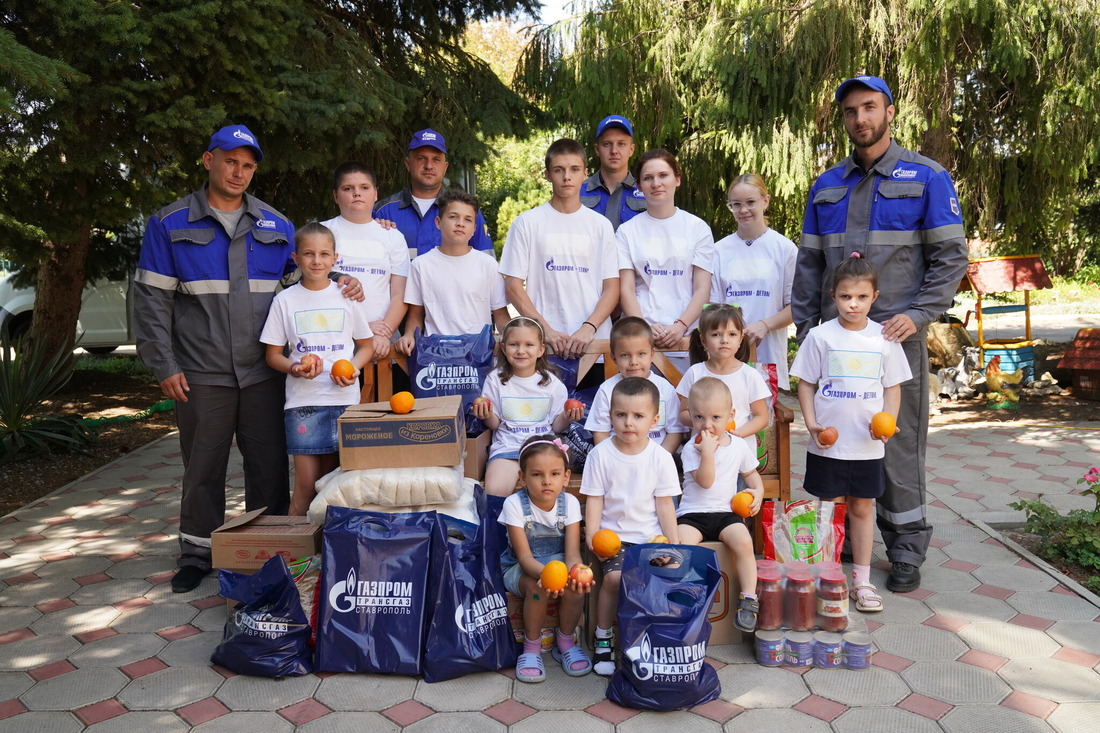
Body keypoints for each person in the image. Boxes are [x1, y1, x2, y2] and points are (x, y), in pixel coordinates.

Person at [134, 125, 363, 593]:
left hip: (263, 372)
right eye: (230, 161)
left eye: (248, 165)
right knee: (204, 465)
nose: (239, 172)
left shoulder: (275, 226)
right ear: (208, 161)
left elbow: (301, 275)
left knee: (267, 466)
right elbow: (151, 301)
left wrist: (341, 277)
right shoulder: (170, 223)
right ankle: (197, 552)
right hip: (201, 370)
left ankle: (271, 548)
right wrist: (163, 364)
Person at [793, 75, 968, 592]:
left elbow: (950, 258)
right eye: (850, 111)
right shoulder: (826, 186)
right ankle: (846, 539)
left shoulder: (928, 178)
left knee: (893, 440)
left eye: (869, 108)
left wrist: (917, 315)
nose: (860, 119)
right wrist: (807, 328)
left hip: (893, 340)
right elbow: (808, 266)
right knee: (836, 431)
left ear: (889, 112)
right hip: (834, 341)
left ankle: (907, 546)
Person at [790, 254, 911, 612]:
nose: (853, 304)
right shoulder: (820, 336)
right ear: (833, 295)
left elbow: (893, 387)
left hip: (867, 444)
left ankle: (862, 580)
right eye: (845, 297)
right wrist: (811, 423)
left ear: (874, 296)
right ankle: (827, 574)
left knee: (861, 507)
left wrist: (889, 419)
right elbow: (806, 384)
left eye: (860, 297)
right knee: (827, 509)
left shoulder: (884, 338)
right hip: (828, 443)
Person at [260, 223, 375, 515]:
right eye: (308, 254)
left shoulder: (346, 297)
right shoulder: (284, 301)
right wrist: (295, 367)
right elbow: (273, 354)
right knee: (306, 485)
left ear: (335, 258)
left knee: (341, 485)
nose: (316, 260)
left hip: (345, 403)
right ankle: (293, 556)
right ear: (296, 258)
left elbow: (366, 346)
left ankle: (332, 555)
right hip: (303, 405)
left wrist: (352, 368)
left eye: (324, 254)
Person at [582, 377, 681, 676]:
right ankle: (603, 637)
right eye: (620, 415)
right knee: (613, 580)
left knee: (662, 581)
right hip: (614, 539)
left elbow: (665, 504)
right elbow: (595, 500)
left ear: (654, 419)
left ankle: (648, 641)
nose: (628, 422)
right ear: (610, 415)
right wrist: (592, 536)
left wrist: (675, 545)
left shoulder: (660, 458)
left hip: (651, 538)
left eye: (638, 416)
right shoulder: (600, 455)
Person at [500, 138, 620, 360]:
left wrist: (588, 327)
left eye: (574, 169)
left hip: (593, 346)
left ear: (585, 173)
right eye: (559, 170)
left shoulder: (600, 225)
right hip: (544, 346)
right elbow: (513, 285)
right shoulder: (527, 222)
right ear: (547, 175)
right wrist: (544, 330)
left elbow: (612, 287)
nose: (567, 177)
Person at [498, 435, 593, 682]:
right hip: (522, 567)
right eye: (537, 474)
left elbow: (572, 552)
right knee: (537, 590)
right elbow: (524, 556)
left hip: (560, 563)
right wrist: (546, 576)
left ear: (565, 477)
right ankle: (531, 646)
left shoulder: (570, 503)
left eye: (554, 474)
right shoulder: (514, 505)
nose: (546, 481)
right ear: (522, 477)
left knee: (576, 588)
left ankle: (565, 641)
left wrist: (574, 574)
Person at [676, 377, 764, 632]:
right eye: (699, 418)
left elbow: (752, 477)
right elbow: (705, 481)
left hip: (726, 513)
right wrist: (707, 452)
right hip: (693, 514)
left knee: (744, 541)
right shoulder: (691, 449)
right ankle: (687, 597)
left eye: (716, 417)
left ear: (730, 415)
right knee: (680, 545)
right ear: (691, 417)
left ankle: (748, 599)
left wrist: (757, 493)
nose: (707, 425)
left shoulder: (738, 445)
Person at [616, 149, 715, 375]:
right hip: (639, 344)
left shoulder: (697, 228)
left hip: (686, 341)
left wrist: (680, 326)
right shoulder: (626, 231)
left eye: (663, 175)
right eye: (648, 178)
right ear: (639, 186)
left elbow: (702, 288)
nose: (656, 183)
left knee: (685, 409)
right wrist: (644, 329)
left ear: (677, 179)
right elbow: (626, 289)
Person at [710, 173, 797, 408]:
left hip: (766, 357)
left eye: (750, 202)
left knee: (763, 435)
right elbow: (713, 308)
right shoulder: (718, 251)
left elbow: (796, 307)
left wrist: (764, 325)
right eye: (736, 204)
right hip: (726, 356)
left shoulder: (784, 249)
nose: (743, 210)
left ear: (765, 201)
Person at [471, 317, 585, 496]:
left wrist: (567, 416)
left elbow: (556, 426)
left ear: (540, 350)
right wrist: (485, 415)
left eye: (529, 345)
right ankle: (503, 524)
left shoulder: (551, 384)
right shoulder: (495, 380)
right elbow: (495, 424)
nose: (521, 351)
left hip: (542, 448)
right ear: (503, 348)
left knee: (549, 488)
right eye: (514, 344)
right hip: (508, 449)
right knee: (495, 490)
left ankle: (545, 523)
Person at [396, 190, 509, 355]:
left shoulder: (488, 265)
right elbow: (415, 315)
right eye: (453, 217)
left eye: (468, 219)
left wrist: (513, 339)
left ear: (474, 229)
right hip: (436, 355)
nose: (460, 223)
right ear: (438, 222)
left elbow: (501, 316)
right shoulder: (421, 265)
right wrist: (408, 335)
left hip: (478, 355)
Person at [321, 161, 408, 362]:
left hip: (382, 345)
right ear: (335, 195)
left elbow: (399, 294)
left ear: (376, 194)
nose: (356, 193)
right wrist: (360, 330)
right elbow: (314, 291)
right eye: (348, 188)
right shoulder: (322, 234)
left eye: (364, 188)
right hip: (333, 343)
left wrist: (382, 333)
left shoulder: (393, 237)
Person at [374, 128, 493, 259]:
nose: (429, 166)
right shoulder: (383, 212)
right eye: (421, 158)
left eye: (436, 159)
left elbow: (486, 265)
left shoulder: (467, 212)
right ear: (408, 164)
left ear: (445, 166)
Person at [584, 316, 686, 452]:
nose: (634, 361)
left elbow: (675, 431)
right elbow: (601, 432)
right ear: (614, 358)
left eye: (641, 354)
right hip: (619, 458)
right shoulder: (607, 389)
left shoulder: (664, 388)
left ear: (652, 354)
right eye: (625, 355)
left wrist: (661, 459)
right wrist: (611, 459)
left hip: (656, 458)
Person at [677, 304, 770, 451]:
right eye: (716, 334)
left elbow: (762, 417)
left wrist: (737, 434)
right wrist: (704, 422)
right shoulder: (695, 373)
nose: (724, 340)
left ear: (740, 339)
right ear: (703, 341)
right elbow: (683, 414)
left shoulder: (749, 375)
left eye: (732, 334)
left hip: (738, 453)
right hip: (702, 450)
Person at [580, 114, 648, 230]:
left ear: (631, 149)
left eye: (621, 144)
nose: (614, 151)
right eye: (607, 144)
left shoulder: (647, 192)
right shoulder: (579, 191)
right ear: (597, 149)